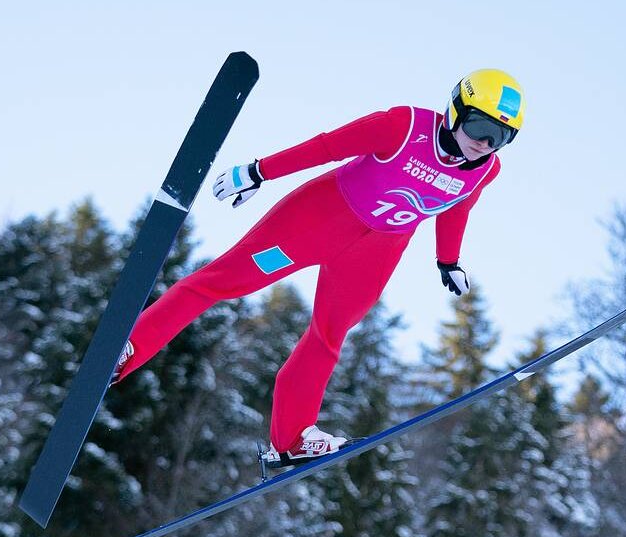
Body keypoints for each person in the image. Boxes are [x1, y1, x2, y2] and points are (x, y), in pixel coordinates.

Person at [111, 68, 525, 469]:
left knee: (330, 334)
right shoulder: (403, 126)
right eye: (479, 126)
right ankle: (128, 348)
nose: (485, 143)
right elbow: (327, 147)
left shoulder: (487, 169)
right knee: (221, 282)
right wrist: (258, 172)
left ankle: (292, 439)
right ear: (455, 110)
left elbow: (458, 208)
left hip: (375, 253)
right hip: (316, 222)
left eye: (501, 137)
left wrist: (448, 260)